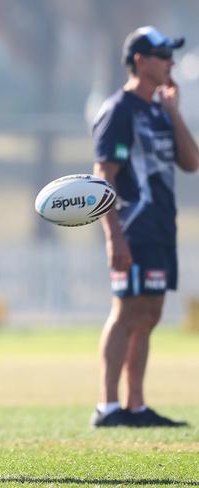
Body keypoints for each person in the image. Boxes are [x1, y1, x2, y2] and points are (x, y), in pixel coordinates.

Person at [90, 26, 199, 428]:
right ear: (140, 60)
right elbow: (104, 175)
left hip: (160, 228)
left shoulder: (158, 109)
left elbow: (191, 162)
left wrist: (174, 111)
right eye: (162, 54)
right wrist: (113, 236)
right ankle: (108, 406)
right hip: (132, 228)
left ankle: (135, 406)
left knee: (150, 312)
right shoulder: (120, 109)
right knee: (127, 311)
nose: (171, 61)